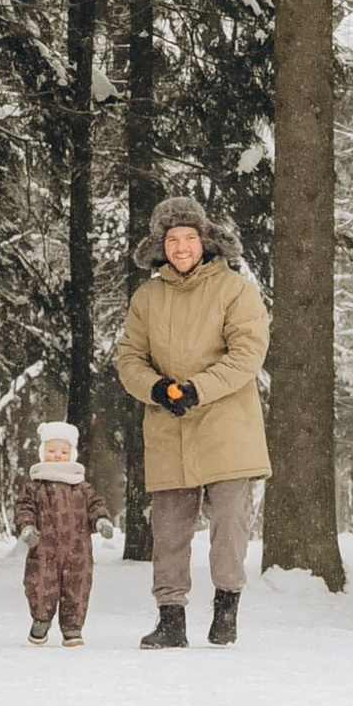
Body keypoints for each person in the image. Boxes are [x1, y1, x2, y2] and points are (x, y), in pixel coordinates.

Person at [115, 191, 268, 649]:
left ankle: (226, 608)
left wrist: (199, 388)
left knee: (228, 525)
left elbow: (247, 354)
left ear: (205, 241)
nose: (181, 247)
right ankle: (171, 620)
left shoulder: (236, 291)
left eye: (189, 238)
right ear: (160, 246)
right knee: (169, 531)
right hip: (168, 426)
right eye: (172, 240)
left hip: (227, 427)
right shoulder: (146, 297)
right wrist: (158, 389)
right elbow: (129, 358)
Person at [13, 418, 95, 646]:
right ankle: (40, 620)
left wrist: (102, 522)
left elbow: (96, 506)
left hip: (77, 550)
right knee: (40, 584)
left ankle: (72, 627)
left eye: (62, 451)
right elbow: (24, 508)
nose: (57, 455)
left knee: (76, 587)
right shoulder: (35, 487)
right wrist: (27, 527)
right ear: (42, 452)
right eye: (51, 450)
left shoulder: (82, 487)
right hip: (44, 548)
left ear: (72, 454)